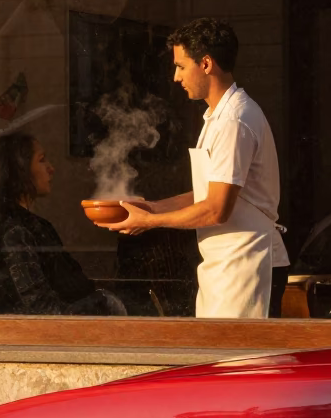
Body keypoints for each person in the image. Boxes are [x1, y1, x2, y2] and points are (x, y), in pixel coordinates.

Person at [98, 18, 290, 318]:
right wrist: (151, 208)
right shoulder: (218, 116)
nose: (176, 77)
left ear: (206, 64)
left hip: (246, 263)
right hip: (224, 265)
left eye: (181, 66)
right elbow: (208, 193)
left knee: (237, 363)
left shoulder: (234, 120)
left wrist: (150, 223)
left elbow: (216, 210)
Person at [0, 132, 125, 315]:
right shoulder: (13, 231)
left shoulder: (33, 225)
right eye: (42, 160)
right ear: (18, 170)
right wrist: (104, 302)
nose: (51, 168)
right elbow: (42, 311)